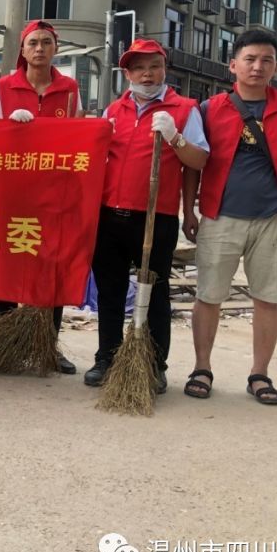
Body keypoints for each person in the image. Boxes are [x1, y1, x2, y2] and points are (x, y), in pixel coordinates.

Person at [182, 29, 277, 405]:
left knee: (267, 299)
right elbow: (194, 162)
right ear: (234, 65)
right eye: (250, 59)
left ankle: (259, 375)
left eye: (266, 60)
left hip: (273, 219)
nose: (258, 66)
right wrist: (188, 208)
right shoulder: (209, 109)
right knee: (208, 296)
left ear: (276, 66)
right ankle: (202, 368)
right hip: (220, 215)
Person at [83, 38, 209, 394]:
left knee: (154, 293)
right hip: (110, 216)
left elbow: (199, 161)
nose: (147, 74)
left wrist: (175, 137)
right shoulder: (112, 110)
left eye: (153, 66)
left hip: (157, 217)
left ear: (164, 68)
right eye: (138, 67)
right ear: (127, 73)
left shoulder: (184, 110)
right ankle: (106, 357)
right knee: (109, 292)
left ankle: (154, 365)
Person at [0, 19, 81, 374]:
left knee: (51, 266)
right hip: (13, 193)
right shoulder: (4, 86)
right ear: (22, 51)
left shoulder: (70, 88)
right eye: (32, 43)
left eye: (46, 42)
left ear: (55, 48)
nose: (39, 49)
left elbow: (78, 135)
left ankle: (47, 345)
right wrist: (8, 128)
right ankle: (5, 339)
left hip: (55, 194)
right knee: (8, 263)